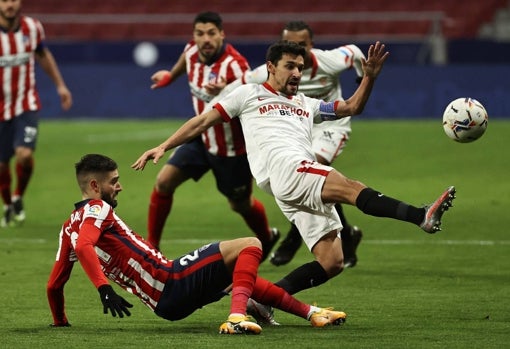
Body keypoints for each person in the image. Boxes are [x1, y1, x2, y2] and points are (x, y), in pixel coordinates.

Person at [132, 40, 456, 323]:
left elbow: (352, 106)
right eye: (290, 66)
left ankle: (265, 299)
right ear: (271, 67)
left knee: (332, 261)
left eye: (300, 67)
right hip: (288, 169)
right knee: (350, 187)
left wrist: (369, 77)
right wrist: (164, 146)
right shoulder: (248, 93)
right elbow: (203, 121)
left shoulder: (307, 104)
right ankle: (420, 216)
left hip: (290, 185)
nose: (297, 73)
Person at [46, 154, 346, 334]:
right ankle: (237, 316)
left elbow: (54, 286)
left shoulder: (66, 230)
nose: (119, 186)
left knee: (235, 271)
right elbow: (86, 245)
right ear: (95, 187)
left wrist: (60, 321)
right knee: (249, 245)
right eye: (114, 181)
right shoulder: (97, 209)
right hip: (170, 280)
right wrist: (103, 287)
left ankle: (311, 314)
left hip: (165, 302)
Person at [222, 21, 366, 267]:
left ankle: (293, 238)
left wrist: (362, 75)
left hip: (330, 127)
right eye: (293, 44)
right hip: (297, 128)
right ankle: (347, 234)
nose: (298, 49)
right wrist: (220, 91)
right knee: (310, 180)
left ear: (311, 45)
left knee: (309, 172)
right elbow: (242, 81)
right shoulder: (272, 70)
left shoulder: (329, 61)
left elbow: (355, 51)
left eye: (303, 44)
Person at [147, 11, 279, 259]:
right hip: (201, 138)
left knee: (239, 204)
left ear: (222, 34)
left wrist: (229, 89)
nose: (205, 39)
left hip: (231, 148)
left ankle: (268, 237)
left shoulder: (236, 66)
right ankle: (152, 246)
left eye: (211, 33)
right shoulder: (191, 52)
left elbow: (253, 101)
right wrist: (169, 76)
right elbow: (183, 62)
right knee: (164, 182)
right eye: (199, 33)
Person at [0, 0, 72, 227]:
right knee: (2, 165)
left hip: (26, 103)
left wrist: (60, 85)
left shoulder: (33, 27)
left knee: (24, 155)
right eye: (4, 0)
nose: (9, 5)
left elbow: (43, 55)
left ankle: (19, 194)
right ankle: (8, 205)